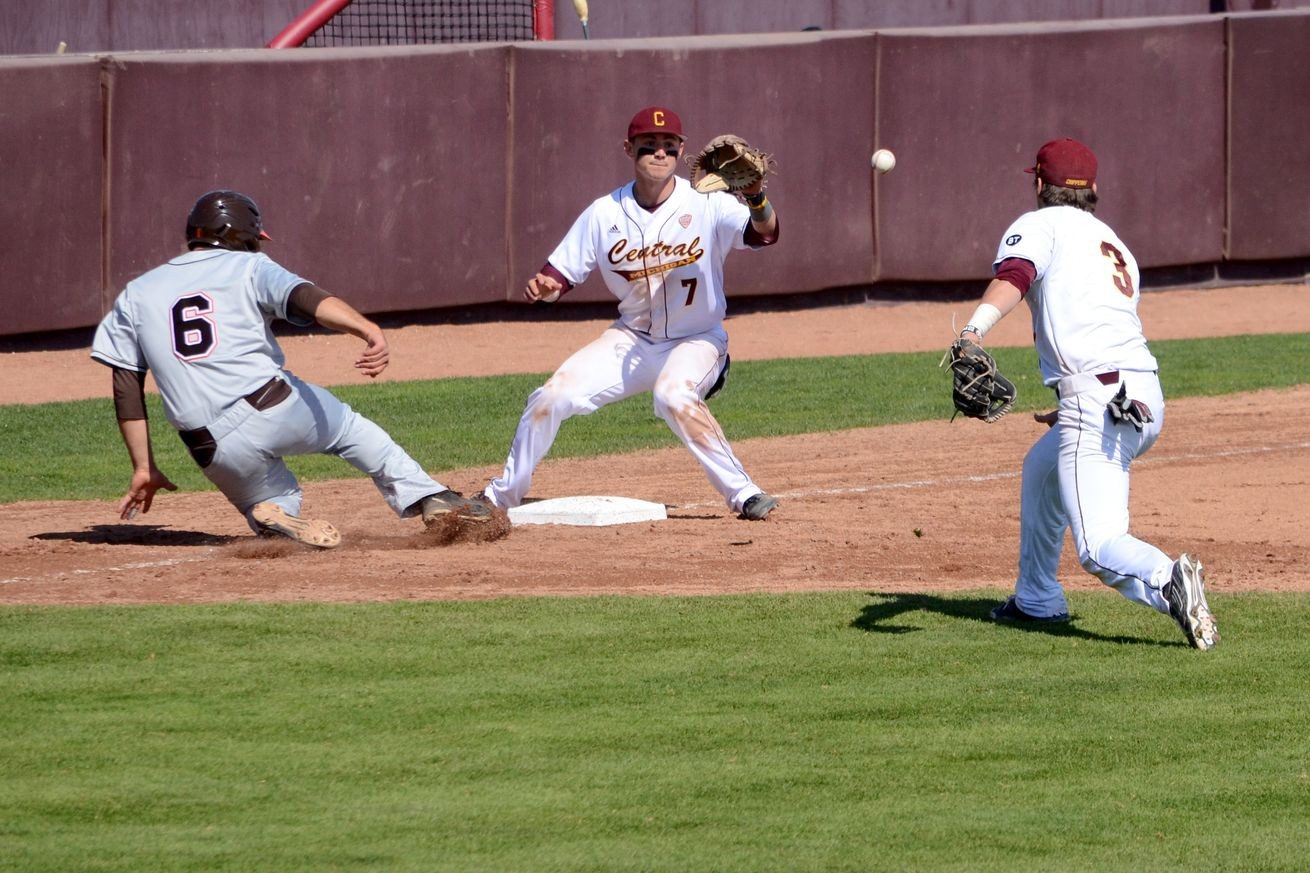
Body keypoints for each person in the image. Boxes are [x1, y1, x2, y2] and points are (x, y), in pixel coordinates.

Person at [90, 189, 491, 548]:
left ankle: (272, 515)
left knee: (269, 501)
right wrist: (366, 329)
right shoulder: (248, 267)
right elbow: (305, 298)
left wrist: (144, 467)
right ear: (244, 237)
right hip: (271, 405)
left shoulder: (136, 293)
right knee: (352, 431)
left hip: (208, 444)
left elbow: (126, 385)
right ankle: (431, 499)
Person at [961, 138, 1220, 650]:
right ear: (1094, 189)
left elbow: (1016, 276)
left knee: (1099, 547)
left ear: (1039, 184)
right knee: (1042, 470)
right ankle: (1036, 598)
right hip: (1142, 396)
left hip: (1099, 400)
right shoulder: (1113, 243)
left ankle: (1169, 579)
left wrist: (972, 332)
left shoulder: (1038, 225)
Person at [484, 106, 781, 520]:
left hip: (697, 338)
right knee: (551, 396)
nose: (659, 153)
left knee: (673, 395)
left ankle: (744, 493)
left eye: (668, 146)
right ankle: (499, 498)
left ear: (682, 150)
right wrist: (547, 290)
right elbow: (559, 275)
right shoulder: (604, 212)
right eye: (648, 146)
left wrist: (756, 197)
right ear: (629, 149)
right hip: (632, 339)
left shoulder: (708, 203)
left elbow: (765, 234)